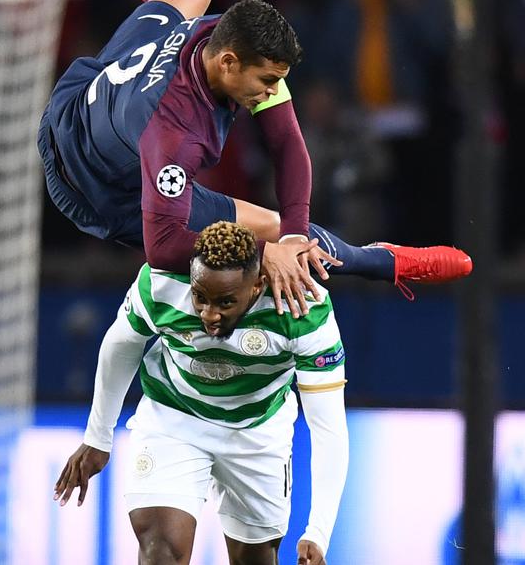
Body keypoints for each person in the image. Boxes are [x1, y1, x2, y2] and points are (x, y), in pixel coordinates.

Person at [38, 0, 472, 315]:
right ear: (228, 63)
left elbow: (286, 143)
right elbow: (164, 248)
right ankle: (381, 262)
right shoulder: (175, 135)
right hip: (92, 182)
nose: (272, 92)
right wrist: (269, 252)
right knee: (267, 228)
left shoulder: (222, 37)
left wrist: (297, 236)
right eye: (267, 81)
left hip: (95, 89)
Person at [53, 222, 348, 565]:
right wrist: (98, 437)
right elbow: (121, 345)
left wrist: (318, 531)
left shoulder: (304, 308)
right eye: (200, 298)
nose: (209, 314)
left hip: (256, 431)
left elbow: (328, 428)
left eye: (225, 302)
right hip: (174, 417)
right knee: (160, 549)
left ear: (257, 286)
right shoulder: (162, 282)